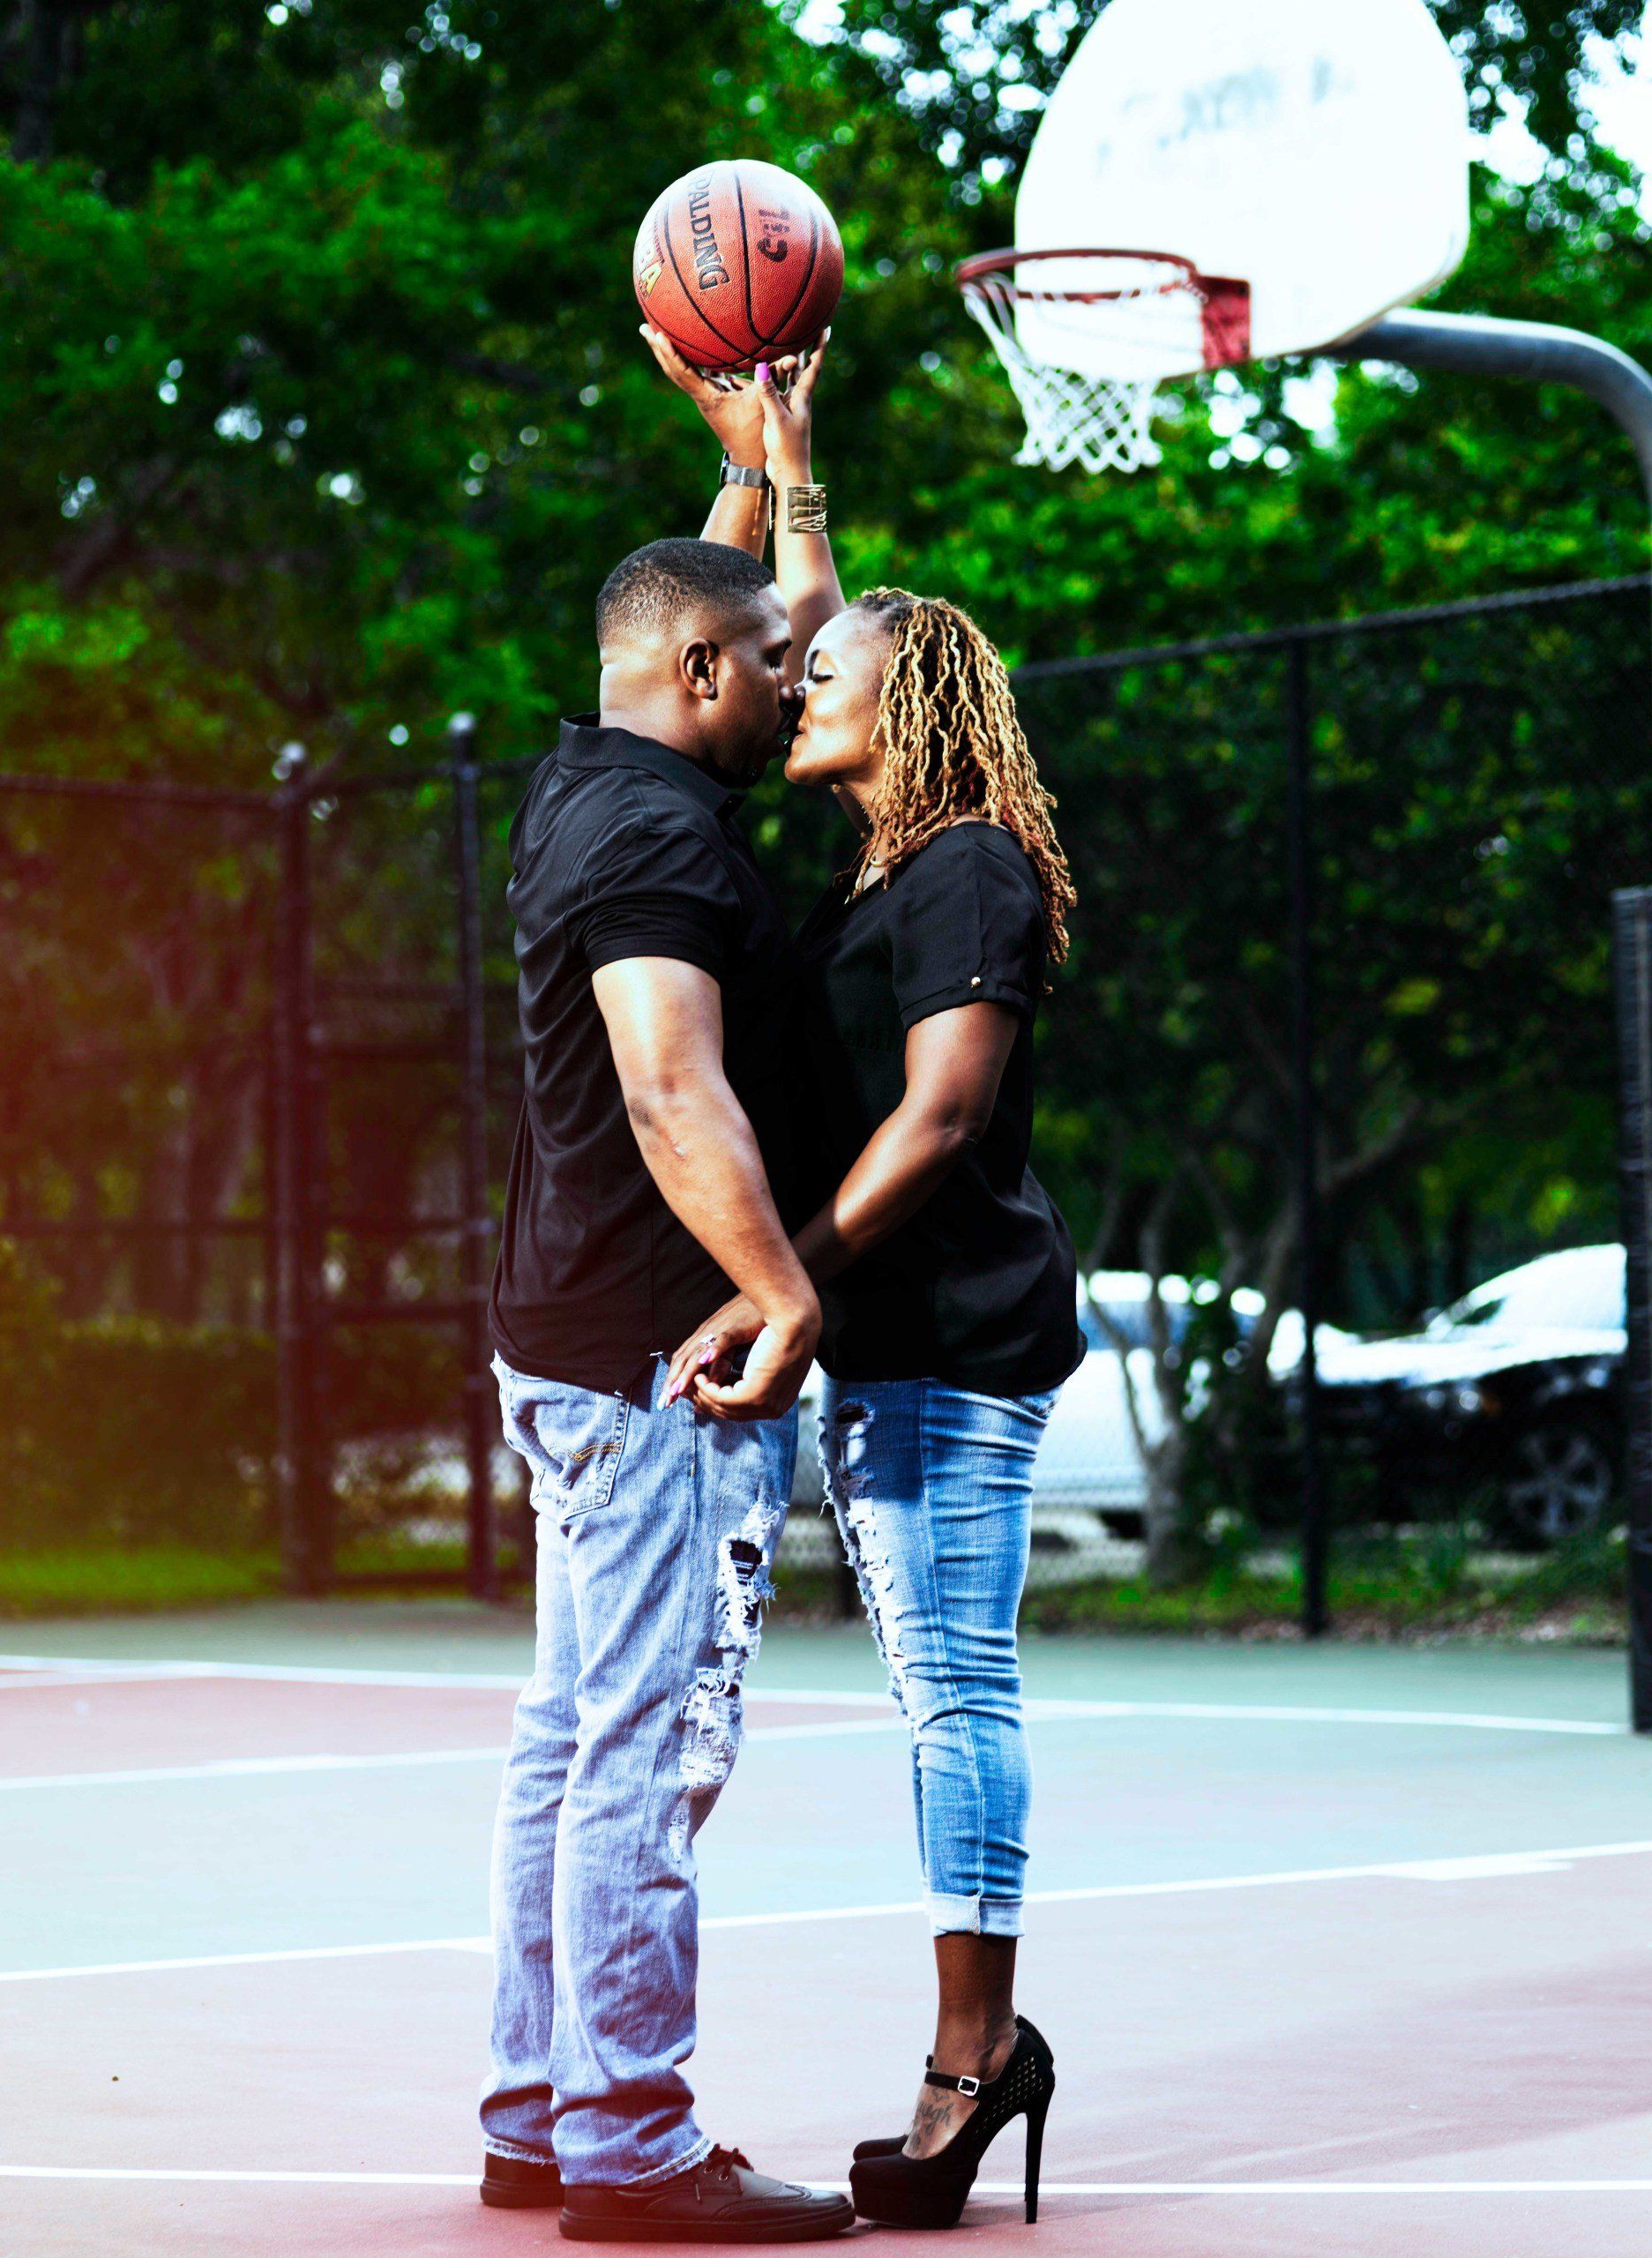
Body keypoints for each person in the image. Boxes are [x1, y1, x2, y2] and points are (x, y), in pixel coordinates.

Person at [646, 324, 1083, 2232]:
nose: (792, 675)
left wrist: (784, 1282)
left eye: (823, 674)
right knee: (931, 1677)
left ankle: (976, 2055)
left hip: (955, 1343)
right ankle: (983, 2043)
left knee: (953, 1684)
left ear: (903, 707)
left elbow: (941, 1117)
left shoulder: (968, 865)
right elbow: (812, 616)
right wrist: (782, 457)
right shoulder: (886, 864)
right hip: (893, 1344)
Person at [479, 393, 856, 2241]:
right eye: (776, 663)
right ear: (703, 673)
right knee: (639, 1744)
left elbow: (708, 602)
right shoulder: (661, 844)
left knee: (570, 1734)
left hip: (565, 1335)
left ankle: (536, 2111)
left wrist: (766, 465)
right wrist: (781, 1285)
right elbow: (667, 1084)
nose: (802, 677)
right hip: (658, 1364)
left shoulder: (596, 777)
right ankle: (628, 2137)